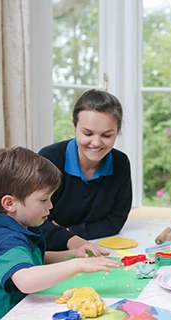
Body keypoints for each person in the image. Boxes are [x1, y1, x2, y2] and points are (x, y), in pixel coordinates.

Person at [0, 147, 121, 320]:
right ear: (9, 203)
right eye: (44, 199)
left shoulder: (24, 225)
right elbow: (26, 280)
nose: (50, 206)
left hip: (26, 308)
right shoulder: (6, 241)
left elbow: (34, 258)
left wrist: (72, 255)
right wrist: (77, 266)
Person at [39, 89, 132, 251]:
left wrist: (69, 232)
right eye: (87, 133)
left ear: (117, 132)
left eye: (107, 135)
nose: (96, 143)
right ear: (75, 126)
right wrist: (70, 238)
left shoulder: (120, 163)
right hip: (49, 252)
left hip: (91, 248)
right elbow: (34, 221)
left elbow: (115, 221)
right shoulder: (49, 159)